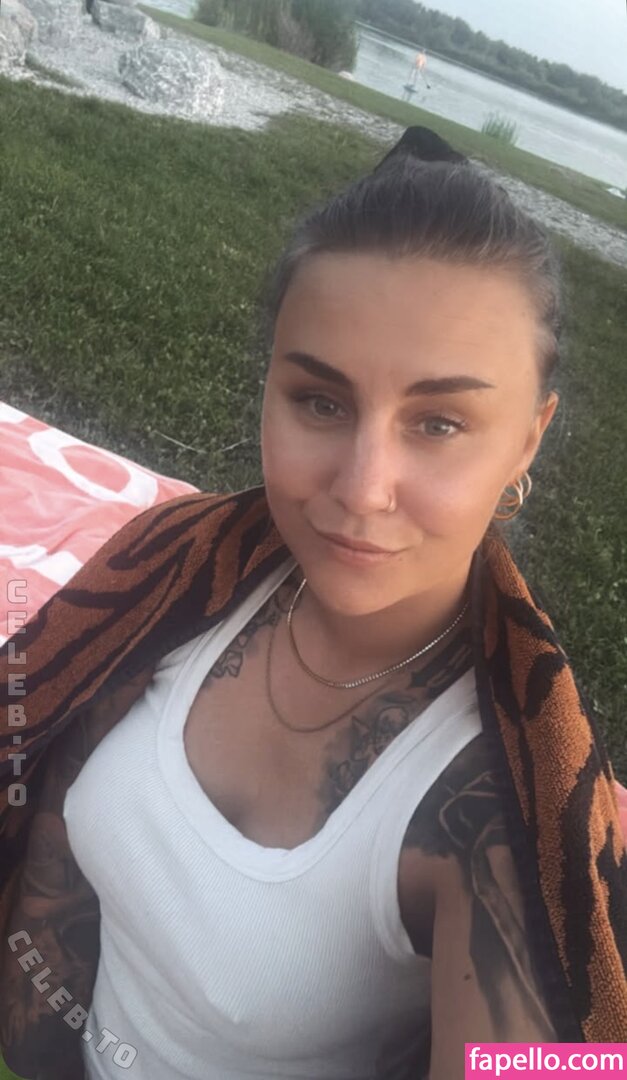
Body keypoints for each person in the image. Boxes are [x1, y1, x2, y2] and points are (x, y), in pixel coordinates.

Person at [1, 128, 626, 1080]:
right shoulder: (178, 565)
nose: (361, 489)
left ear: (527, 439)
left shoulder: (507, 820)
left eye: (438, 423)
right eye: (321, 402)